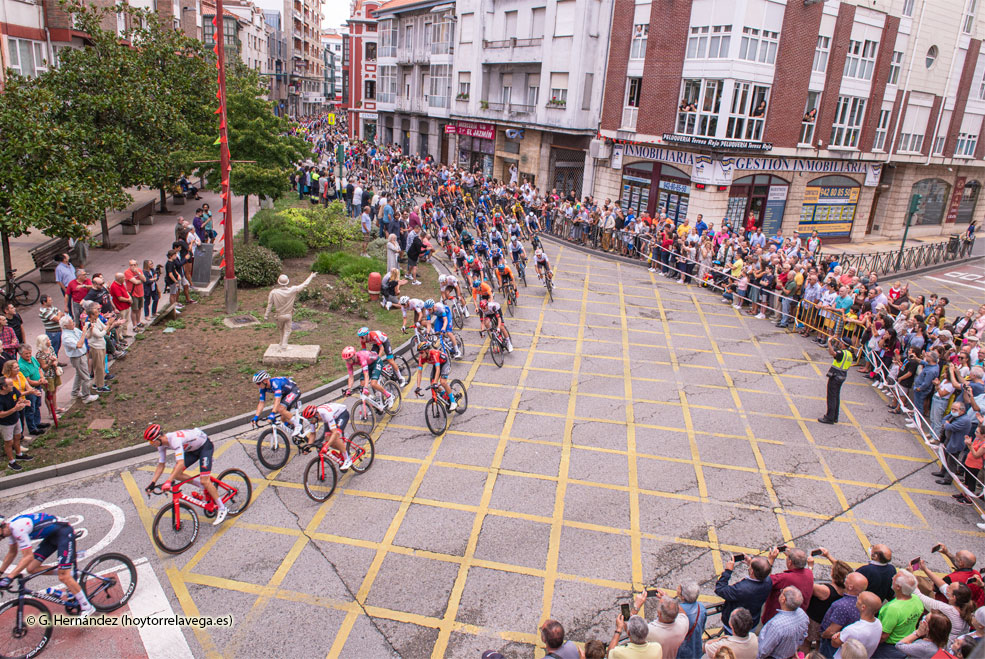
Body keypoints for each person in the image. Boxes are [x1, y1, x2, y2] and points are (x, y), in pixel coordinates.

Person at [0, 513, 95, 617]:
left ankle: (87, 607)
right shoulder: (11, 531)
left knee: (63, 576)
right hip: (52, 536)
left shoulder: (17, 529)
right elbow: (11, 553)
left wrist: (10, 577)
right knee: (32, 568)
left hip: (64, 533)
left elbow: (28, 557)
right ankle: (71, 574)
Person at [143, 424, 228, 526]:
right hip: (192, 451)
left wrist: (169, 481)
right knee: (177, 474)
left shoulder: (174, 440)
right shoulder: (161, 445)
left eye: (152, 441)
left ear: (159, 437)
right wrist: (152, 483)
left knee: (205, 480)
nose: (151, 444)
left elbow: (181, 463)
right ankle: (204, 487)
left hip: (204, 447)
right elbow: (161, 465)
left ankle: (222, 508)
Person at [716, 555, 774, 632]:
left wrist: (728, 571)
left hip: (735, 626)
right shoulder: (768, 581)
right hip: (753, 622)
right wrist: (752, 564)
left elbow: (720, 589)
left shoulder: (742, 589)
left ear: (752, 571)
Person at [873, 570, 924, 658]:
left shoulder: (893, 608)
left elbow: (883, 635)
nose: (892, 578)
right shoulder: (916, 600)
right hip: (905, 643)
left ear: (898, 587)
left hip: (888, 648)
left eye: (894, 578)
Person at [631, 589, 690, 658]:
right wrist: (668, 600)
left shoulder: (650, 631)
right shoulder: (683, 625)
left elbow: (629, 628)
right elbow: (683, 613)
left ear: (659, 614)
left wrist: (636, 607)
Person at [762, 547, 814, 624]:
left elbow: (765, 581)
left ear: (790, 563)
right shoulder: (809, 573)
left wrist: (770, 561)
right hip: (796, 618)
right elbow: (809, 569)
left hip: (774, 619)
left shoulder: (784, 578)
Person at [264, 273, 317, 347]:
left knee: (281, 329)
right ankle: (284, 344)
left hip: (279, 316)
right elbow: (304, 284)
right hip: (288, 315)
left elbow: (269, 304)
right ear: (287, 282)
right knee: (287, 330)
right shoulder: (292, 290)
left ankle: (281, 342)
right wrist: (311, 276)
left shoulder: (273, 292)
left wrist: (266, 315)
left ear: (278, 282)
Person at [757, 586, 808, 659]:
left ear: (783, 599)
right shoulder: (802, 615)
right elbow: (802, 637)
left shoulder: (776, 625)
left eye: (782, 591)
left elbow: (763, 651)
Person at [831, 592, 885, 659]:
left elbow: (834, 644)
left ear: (863, 607)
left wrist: (835, 636)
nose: (856, 599)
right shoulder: (878, 623)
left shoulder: (852, 630)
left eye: (858, 598)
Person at [301, 403, 353, 471]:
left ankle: (347, 459)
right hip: (331, 417)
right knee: (328, 439)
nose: (310, 421)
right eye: (309, 420)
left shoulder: (326, 414)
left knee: (335, 436)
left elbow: (334, 432)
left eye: (310, 419)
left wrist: (326, 446)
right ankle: (344, 450)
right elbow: (312, 434)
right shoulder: (314, 418)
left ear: (316, 415)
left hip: (341, 414)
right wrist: (308, 446)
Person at [59, 316, 98, 404]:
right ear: (65, 326)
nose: (73, 323)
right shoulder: (66, 337)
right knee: (85, 377)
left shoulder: (74, 330)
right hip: (77, 357)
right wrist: (84, 332)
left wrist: (90, 329)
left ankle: (75, 392)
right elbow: (79, 345)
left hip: (82, 355)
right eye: (71, 322)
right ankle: (86, 396)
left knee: (79, 375)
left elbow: (86, 336)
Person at [413, 339, 457, 411]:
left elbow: (438, 369)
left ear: (427, 350)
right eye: (419, 353)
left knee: (442, 382)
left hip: (444, 363)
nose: (420, 354)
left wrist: (436, 382)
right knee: (432, 385)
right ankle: (444, 394)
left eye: (421, 352)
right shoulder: (421, 358)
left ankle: (453, 401)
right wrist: (418, 387)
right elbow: (419, 373)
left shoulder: (434, 354)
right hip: (437, 365)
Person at [17, 345, 50, 436]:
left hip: (38, 385)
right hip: (31, 389)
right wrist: (40, 382)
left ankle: (37, 423)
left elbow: (39, 368)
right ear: (20, 354)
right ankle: (32, 428)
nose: (28, 355)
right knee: (30, 409)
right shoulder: (21, 365)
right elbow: (28, 381)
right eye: (26, 354)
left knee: (37, 405)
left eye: (30, 353)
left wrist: (42, 378)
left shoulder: (32, 359)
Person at [819, 337, 853, 424]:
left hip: (835, 376)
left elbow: (832, 353)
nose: (840, 343)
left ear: (843, 344)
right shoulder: (849, 354)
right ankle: (835, 416)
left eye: (841, 342)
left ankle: (829, 417)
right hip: (842, 377)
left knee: (831, 397)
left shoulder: (842, 353)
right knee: (836, 396)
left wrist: (829, 343)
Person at [0, 377, 32, 471]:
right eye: (10, 385)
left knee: (17, 436)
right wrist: (15, 409)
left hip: (15, 418)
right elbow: (1, 415)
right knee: (9, 442)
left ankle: (19, 455)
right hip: (6, 424)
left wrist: (24, 402)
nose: (13, 386)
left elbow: (18, 398)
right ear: (3, 387)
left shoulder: (13, 390)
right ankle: (11, 462)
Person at [34, 335, 63, 415]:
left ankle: (56, 407)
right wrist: (50, 363)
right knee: (49, 393)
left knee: (54, 391)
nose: (50, 341)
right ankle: (51, 412)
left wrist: (55, 362)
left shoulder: (50, 348)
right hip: (47, 375)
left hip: (54, 372)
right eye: (48, 340)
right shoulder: (40, 355)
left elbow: (55, 358)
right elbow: (44, 367)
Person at [124, 259, 146, 331]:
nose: (133, 266)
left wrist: (138, 273)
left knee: (139, 308)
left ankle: (138, 322)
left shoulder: (139, 270)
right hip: (133, 293)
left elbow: (144, 279)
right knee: (134, 309)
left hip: (140, 292)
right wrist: (141, 280)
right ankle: (134, 325)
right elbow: (135, 282)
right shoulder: (127, 272)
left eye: (134, 265)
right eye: (131, 265)